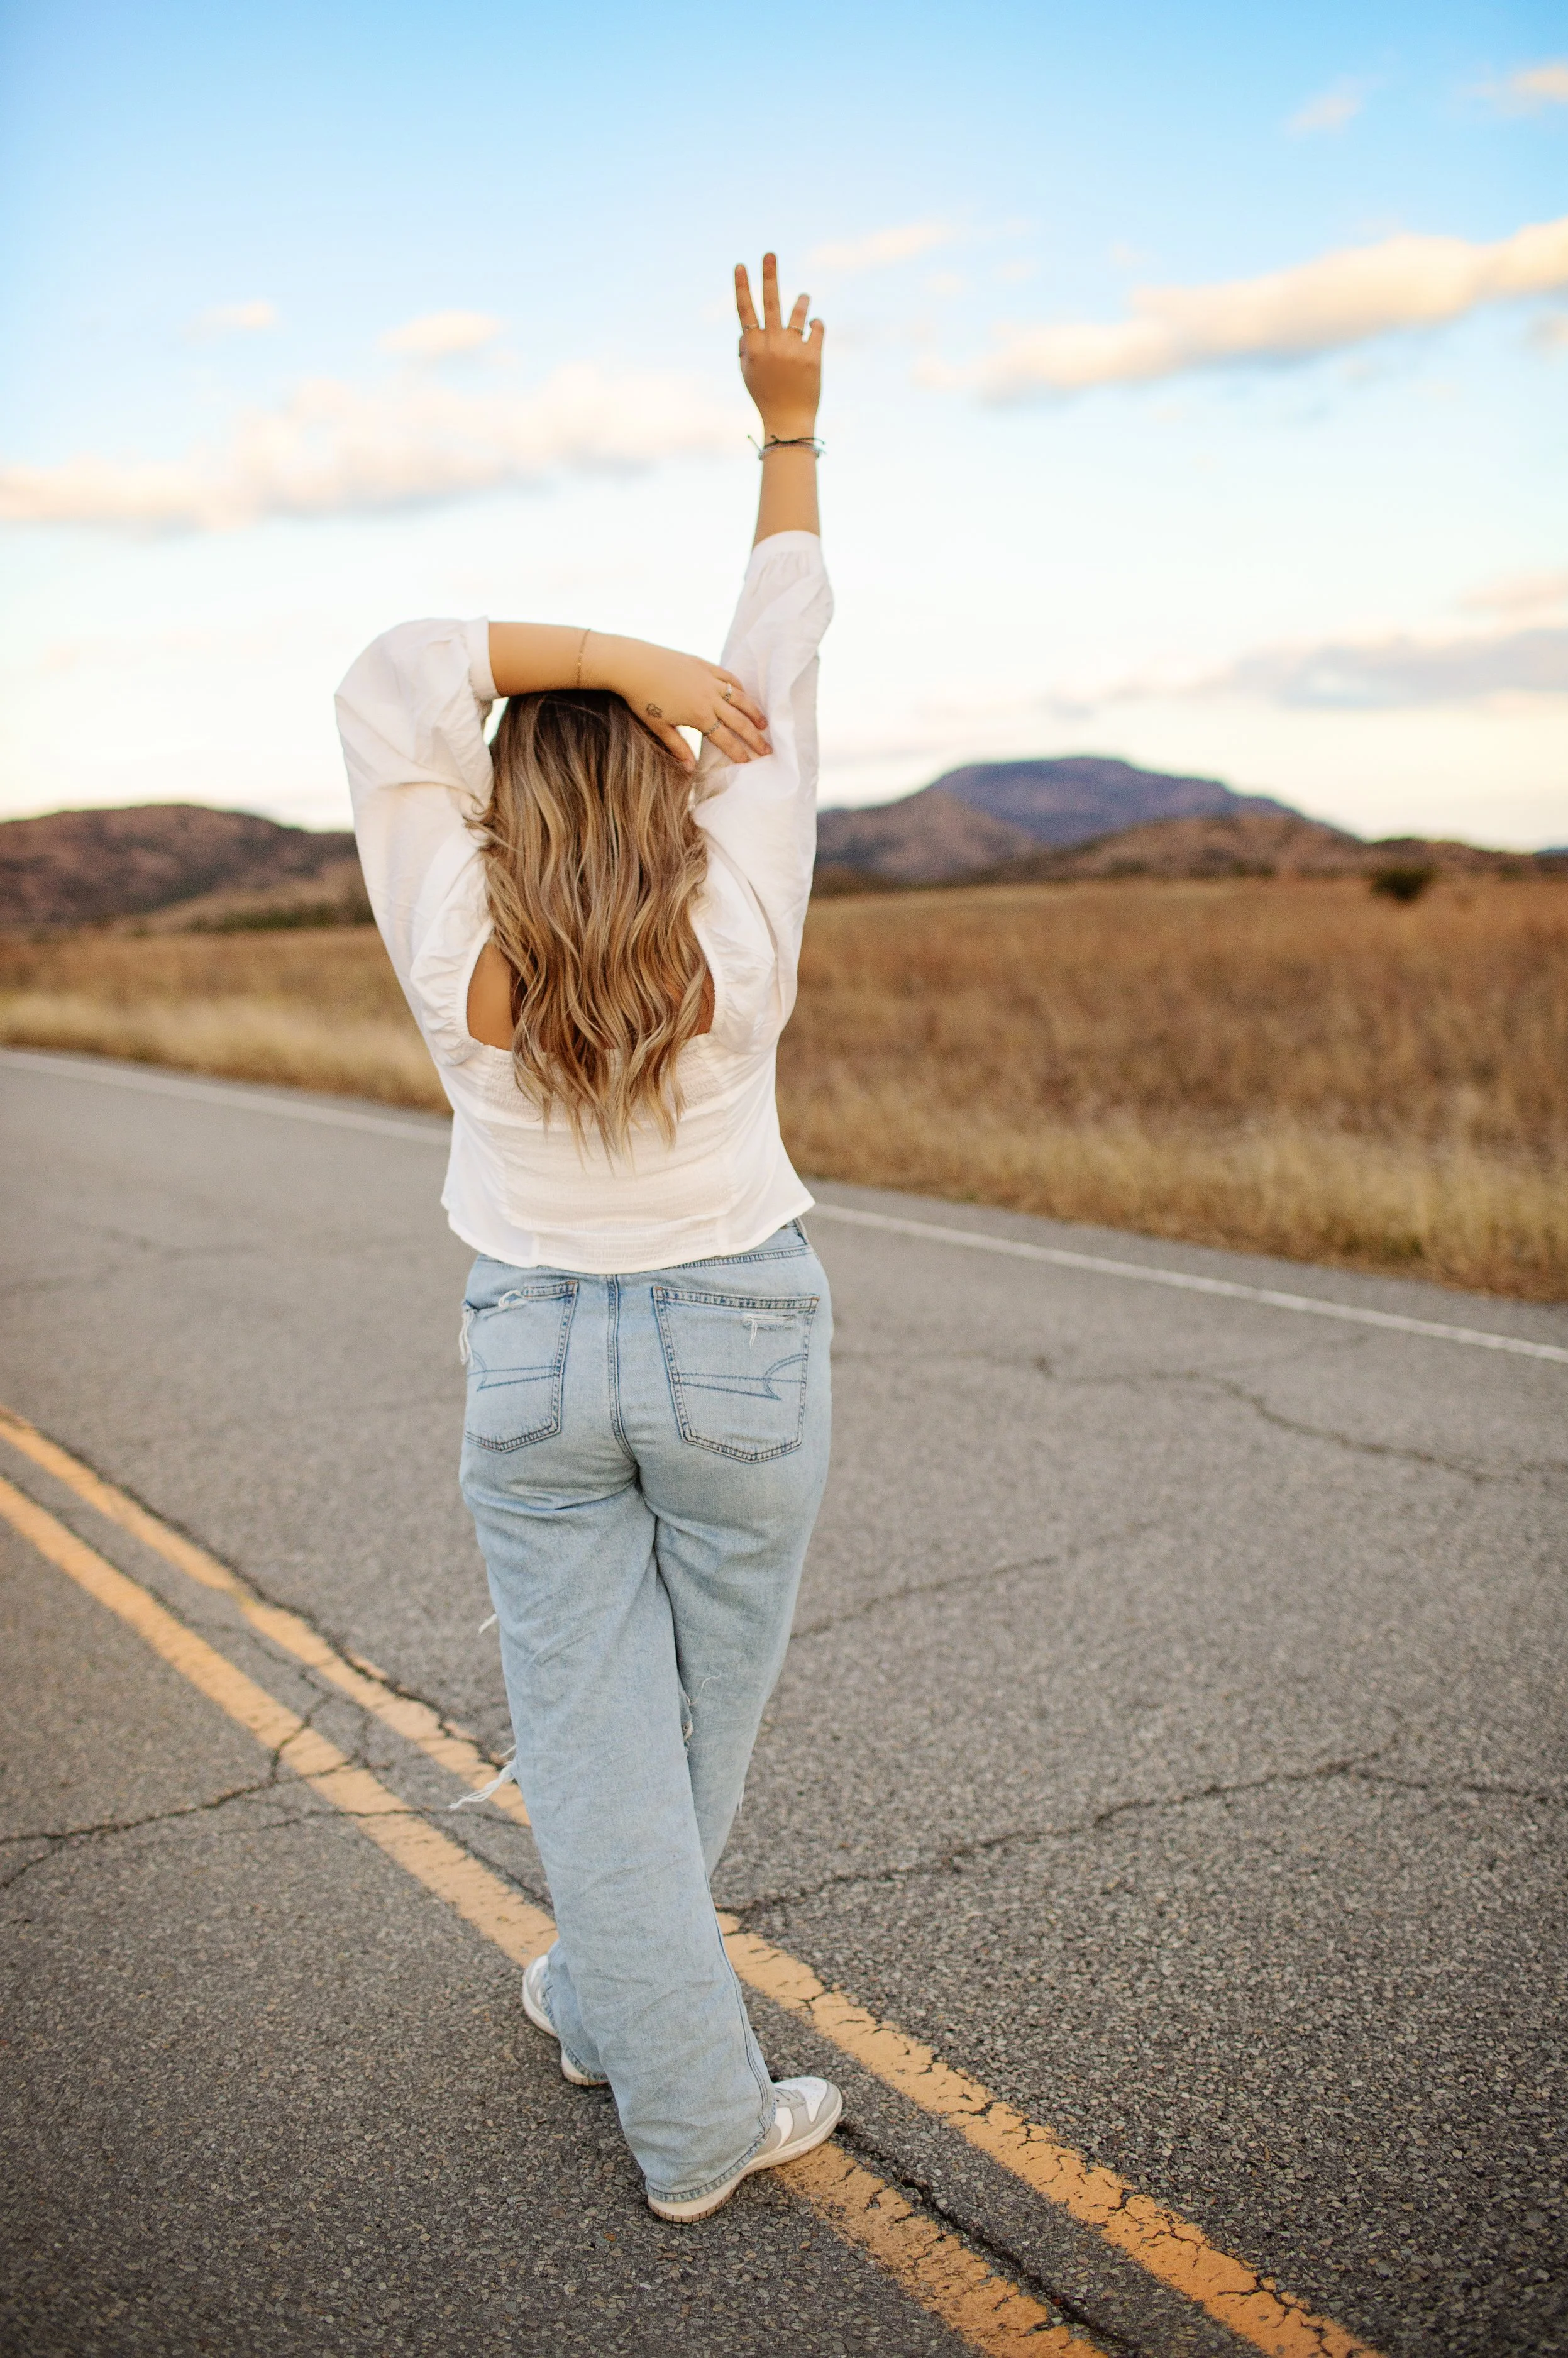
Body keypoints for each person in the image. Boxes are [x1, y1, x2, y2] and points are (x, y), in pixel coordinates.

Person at [334, 255, 840, 2222]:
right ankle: (696, 2112)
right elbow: (779, 646)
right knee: (683, 1722)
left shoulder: (451, 928)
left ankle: (593, 1983)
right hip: (738, 1336)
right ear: (675, 776)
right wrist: (785, 429)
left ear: (486, 807)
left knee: (607, 1735)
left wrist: (600, 655)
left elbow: (395, 668)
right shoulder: (743, 898)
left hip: (535, 1346)